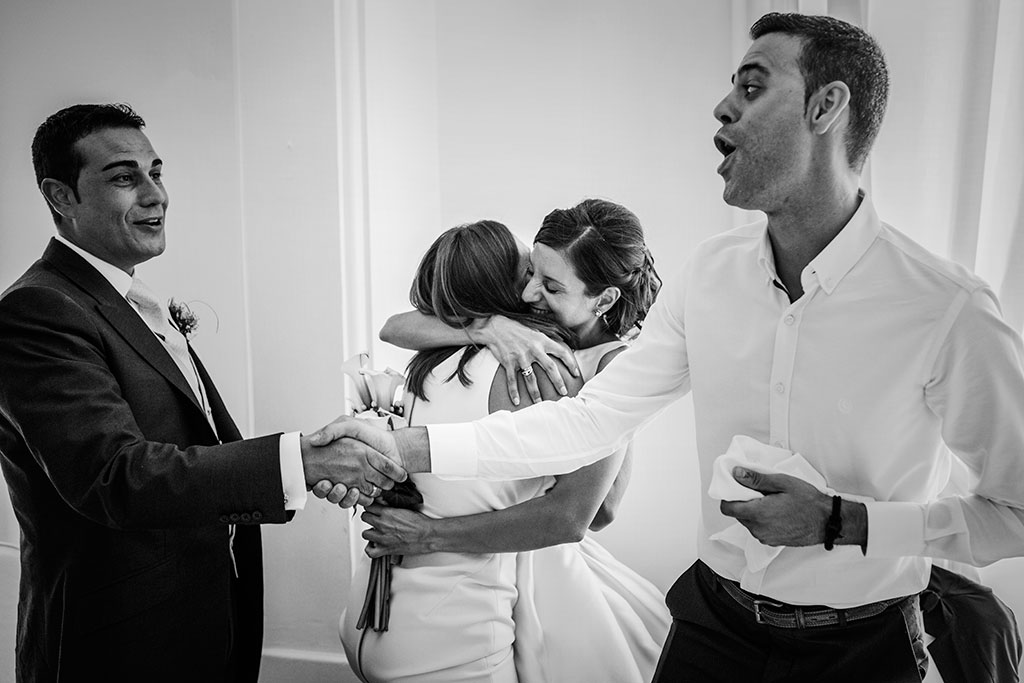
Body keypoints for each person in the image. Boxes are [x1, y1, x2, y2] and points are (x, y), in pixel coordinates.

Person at [315, 12, 1024, 682]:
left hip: (863, 647)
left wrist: (846, 521)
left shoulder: (946, 310)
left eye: (751, 87)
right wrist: (406, 450)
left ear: (826, 107)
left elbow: (1016, 511)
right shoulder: (709, 277)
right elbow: (587, 420)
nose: (721, 108)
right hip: (712, 627)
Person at [0, 103, 405, 683]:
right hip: (117, 643)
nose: (154, 194)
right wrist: (302, 460)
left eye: (156, 172)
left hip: (200, 620)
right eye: (123, 177)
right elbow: (114, 475)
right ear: (61, 197)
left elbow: (193, 443)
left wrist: (305, 463)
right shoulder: (37, 310)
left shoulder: (127, 302)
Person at [342, 199, 669, 682]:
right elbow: (395, 326)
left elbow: (595, 511)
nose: (533, 292)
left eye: (551, 285)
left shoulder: (605, 367)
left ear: (603, 300)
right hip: (477, 602)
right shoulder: (525, 358)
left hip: (508, 570)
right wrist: (490, 324)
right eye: (531, 274)